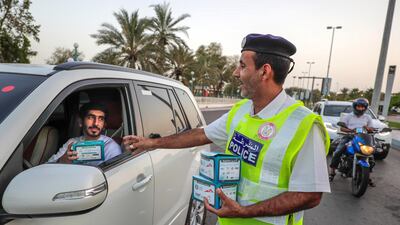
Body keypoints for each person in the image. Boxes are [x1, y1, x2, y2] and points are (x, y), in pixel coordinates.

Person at [123, 33, 330, 225]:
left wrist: (245, 211)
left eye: (242, 66)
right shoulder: (241, 111)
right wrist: (152, 143)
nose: (235, 72)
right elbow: (201, 134)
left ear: (264, 71)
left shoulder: (304, 125)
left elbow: (310, 195)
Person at [48, 102, 122, 166]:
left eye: (100, 119)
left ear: (104, 125)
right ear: (80, 122)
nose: (96, 123)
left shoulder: (110, 146)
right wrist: (61, 161)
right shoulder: (72, 143)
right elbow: (47, 167)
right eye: (90, 117)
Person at [329, 98, 374, 181]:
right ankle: (332, 172)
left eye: (362, 107)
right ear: (355, 107)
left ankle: (368, 177)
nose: (360, 108)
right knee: (338, 151)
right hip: (349, 136)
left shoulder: (368, 117)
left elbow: (371, 128)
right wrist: (350, 130)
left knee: (370, 155)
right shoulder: (348, 116)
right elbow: (342, 128)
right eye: (359, 107)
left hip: (363, 138)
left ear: (365, 108)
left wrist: (368, 128)